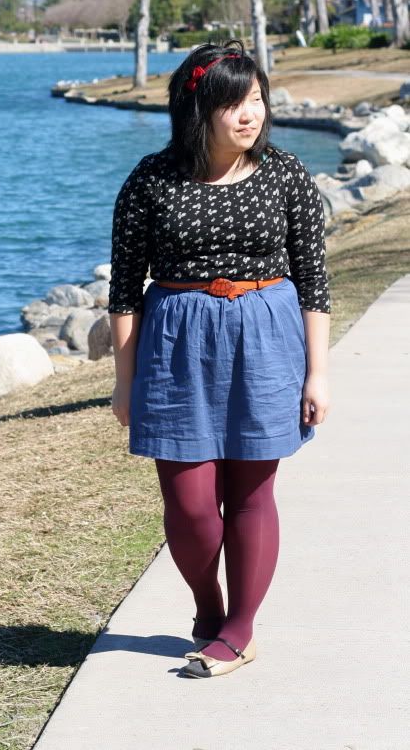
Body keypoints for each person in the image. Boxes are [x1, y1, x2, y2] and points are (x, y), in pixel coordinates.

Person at [108, 39, 331, 679]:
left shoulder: (286, 174)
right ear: (197, 109)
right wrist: (124, 383)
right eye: (233, 103)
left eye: (256, 99)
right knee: (190, 503)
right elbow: (124, 289)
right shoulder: (151, 179)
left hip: (266, 337)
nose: (249, 114)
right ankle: (209, 610)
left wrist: (318, 371)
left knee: (253, 492)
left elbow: (314, 280)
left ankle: (239, 629)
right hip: (175, 346)